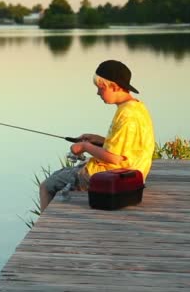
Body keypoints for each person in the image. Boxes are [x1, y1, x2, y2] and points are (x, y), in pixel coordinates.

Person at [39, 60, 155, 212]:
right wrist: (97, 140)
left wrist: (85, 147)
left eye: (101, 88)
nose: (98, 93)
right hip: (131, 175)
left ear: (114, 86)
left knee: (46, 186)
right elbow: (127, 148)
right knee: (61, 174)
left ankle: (47, 231)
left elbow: (115, 158)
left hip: (112, 177)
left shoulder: (126, 115)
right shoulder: (137, 108)